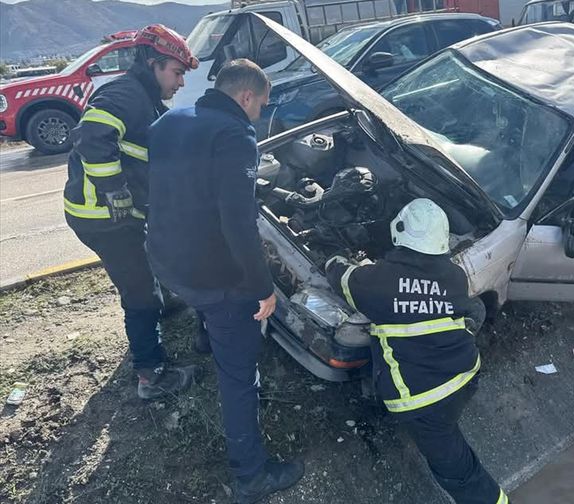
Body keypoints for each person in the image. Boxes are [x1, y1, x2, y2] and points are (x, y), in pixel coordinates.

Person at [145, 59, 304, 504]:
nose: (260, 114)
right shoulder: (236, 135)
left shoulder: (169, 120)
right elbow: (237, 223)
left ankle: (205, 336)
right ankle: (251, 476)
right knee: (239, 377)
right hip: (210, 275)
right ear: (246, 96)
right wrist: (262, 287)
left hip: (165, 258)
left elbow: (166, 187)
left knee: (208, 310)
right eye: (262, 105)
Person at [326, 198, 509, 504]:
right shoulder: (454, 276)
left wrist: (333, 256)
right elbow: (466, 309)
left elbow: (340, 277)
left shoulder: (376, 281)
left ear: (399, 230)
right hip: (465, 375)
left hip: (423, 400)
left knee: (457, 469)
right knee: (447, 430)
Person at [63, 24, 200, 400]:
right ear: (154, 63)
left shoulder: (145, 98)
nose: (180, 83)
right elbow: (92, 137)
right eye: (177, 73)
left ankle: (160, 307)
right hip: (104, 218)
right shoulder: (126, 95)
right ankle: (151, 375)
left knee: (148, 261)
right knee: (138, 291)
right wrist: (116, 192)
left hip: (115, 215)